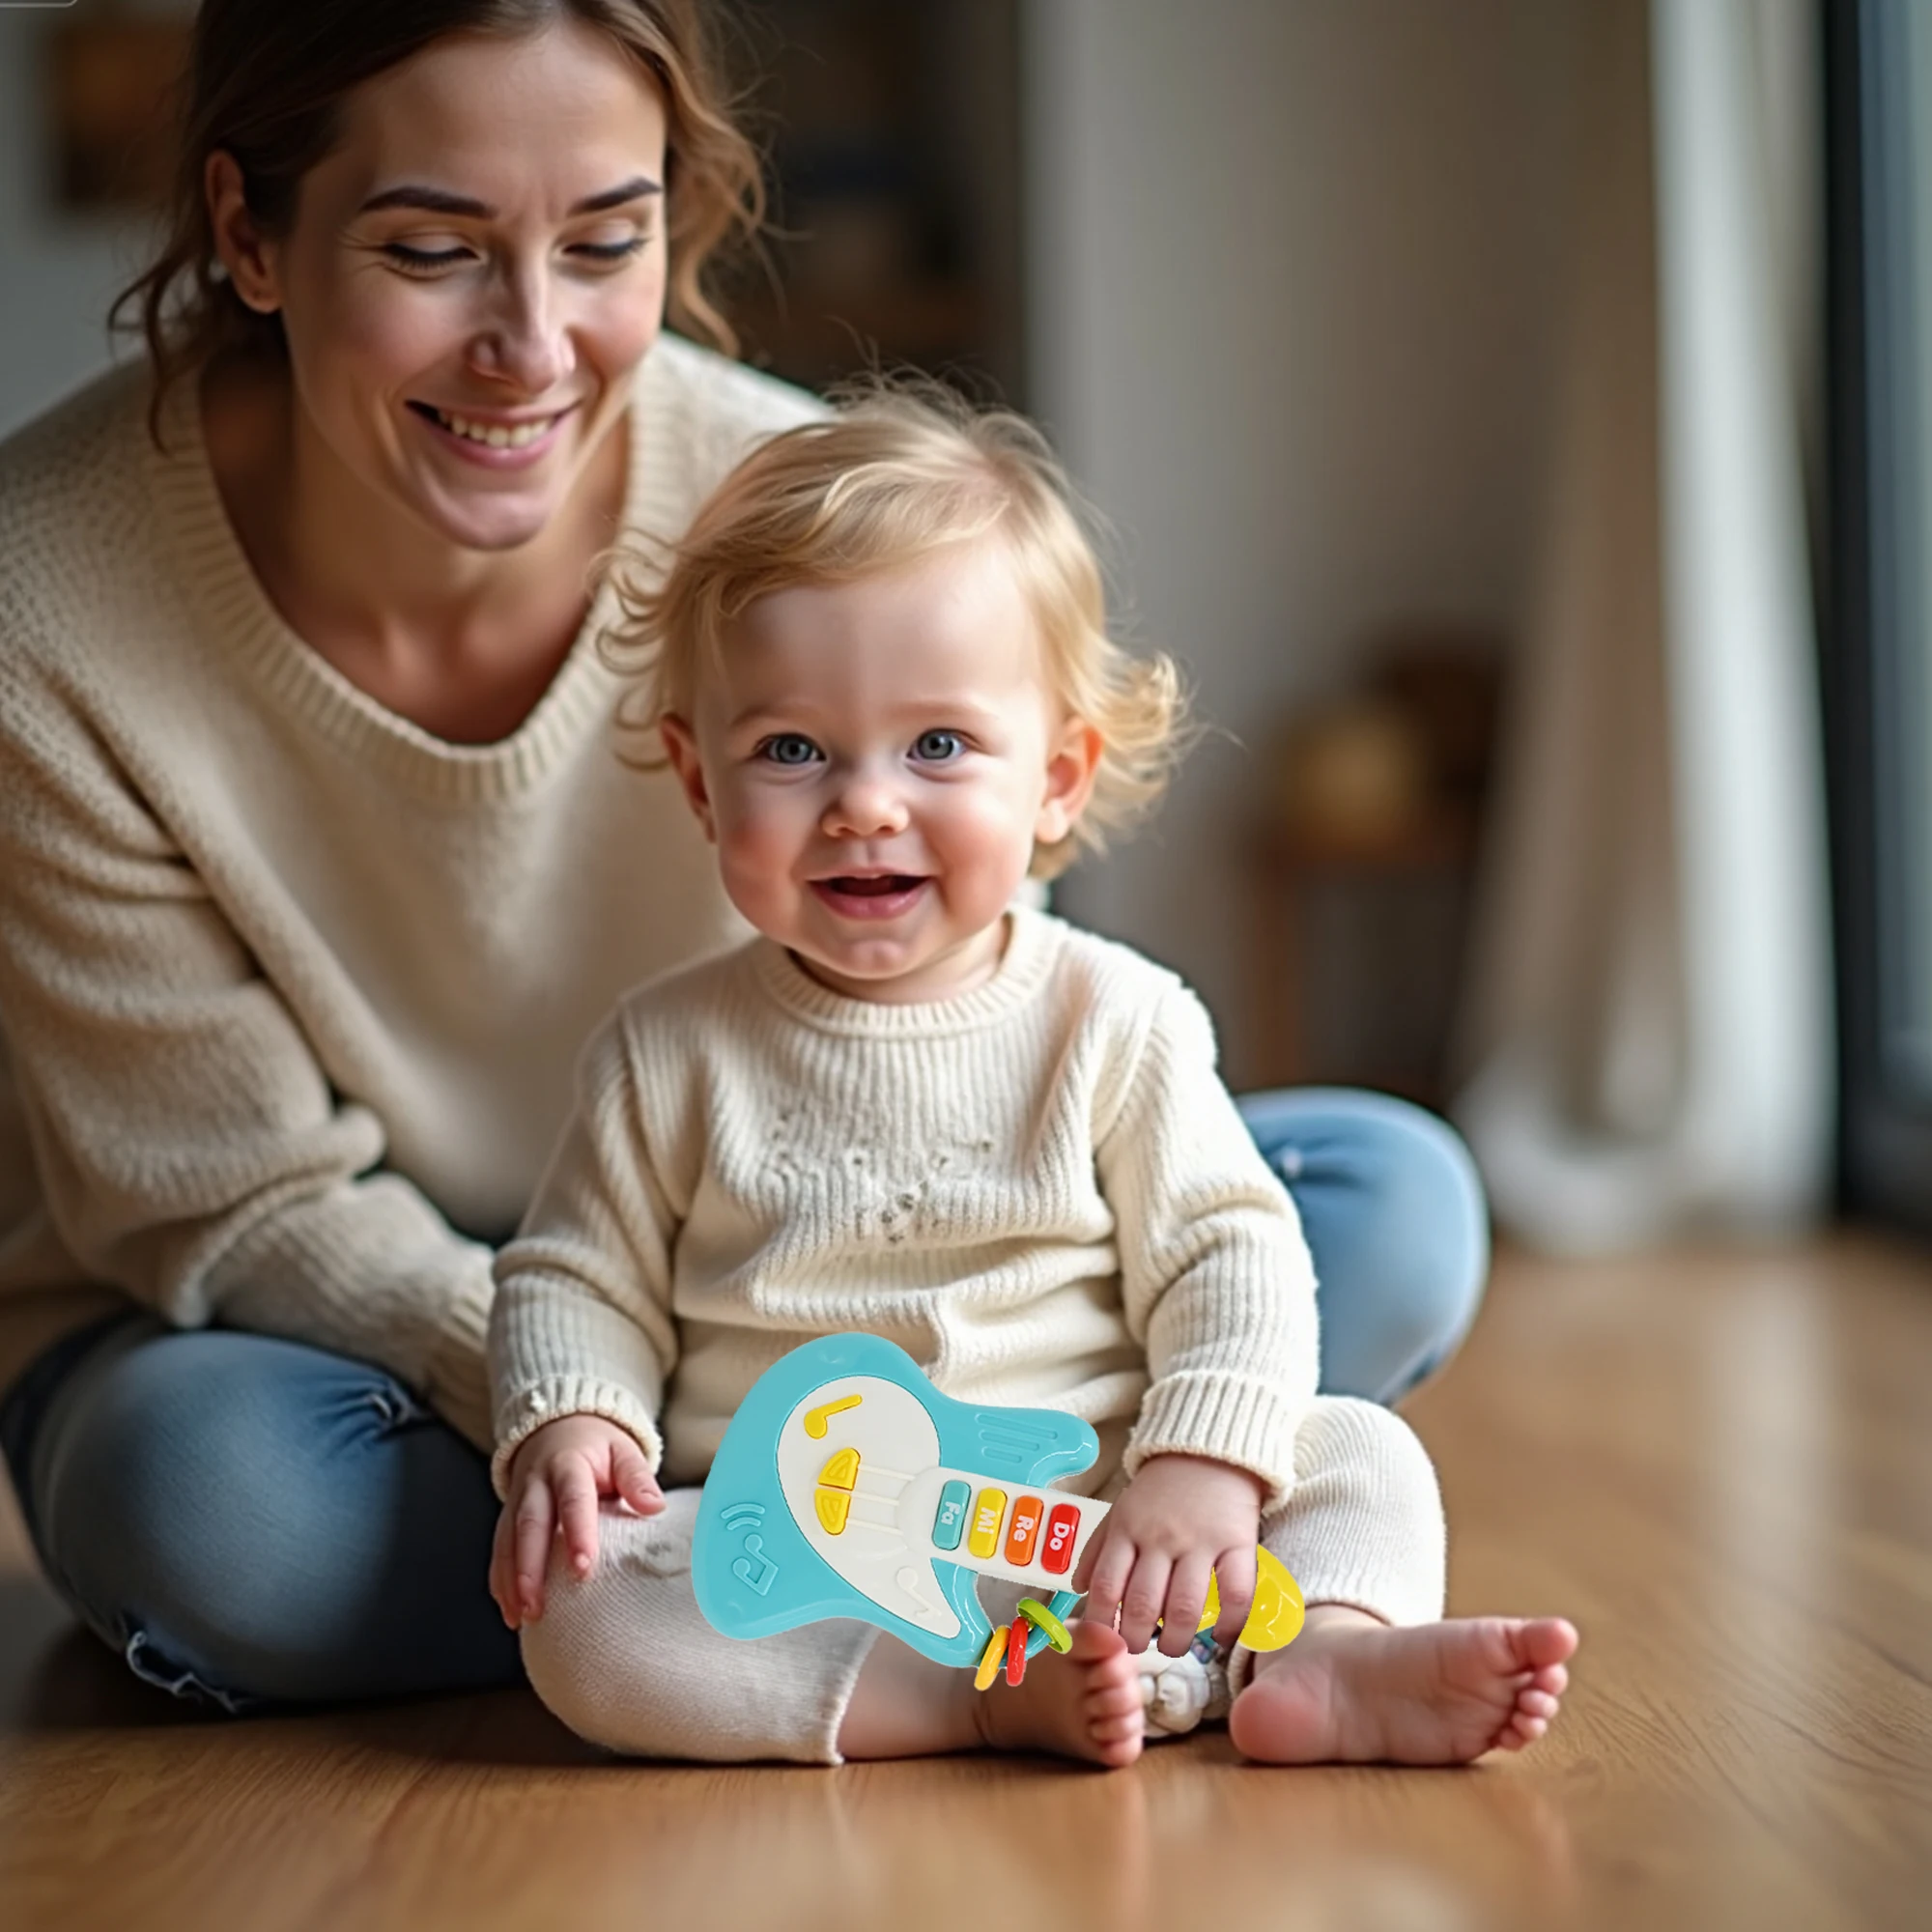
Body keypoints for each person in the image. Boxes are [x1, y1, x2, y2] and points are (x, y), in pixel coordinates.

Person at [0, 0, 1487, 1716]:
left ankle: (825, 1600)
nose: (533, 347)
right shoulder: (48, 608)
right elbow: (234, 1205)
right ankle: (940, 1597)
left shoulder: (809, 518)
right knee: (209, 1505)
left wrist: (898, 1406)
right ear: (252, 233)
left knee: (1391, 1205)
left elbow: (981, 1008)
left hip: (844, 1293)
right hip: (338, 1328)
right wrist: (621, 1396)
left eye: (605, 242)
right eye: (432, 249)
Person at [487, 387, 1577, 1767]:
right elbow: (572, 1276)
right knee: (584, 1614)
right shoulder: (665, 1051)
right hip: (820, 1565)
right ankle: (971, 1704)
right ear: (704, 790)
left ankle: (1328, 1662)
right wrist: (574, 1421)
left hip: (1113, 1529)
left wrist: (1198, 1468)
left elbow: (1228, 1251)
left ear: (1057, 780)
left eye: (937, 745)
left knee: (1361, 1453)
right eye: (791, 751)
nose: (866, 802)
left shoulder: (1114, 1019)